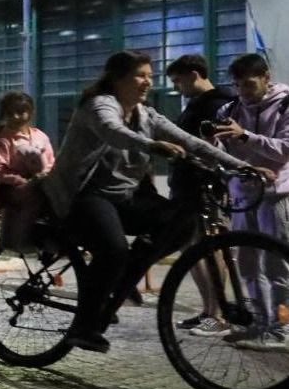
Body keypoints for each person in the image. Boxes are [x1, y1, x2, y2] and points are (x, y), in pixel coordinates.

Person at [39, 49, 260, 353]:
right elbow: (112, 132)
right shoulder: (99, 105)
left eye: (150, 77)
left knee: (180, 226)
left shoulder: (146, 114)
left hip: (125, 196)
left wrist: (242, 167)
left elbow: (191, 141)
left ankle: (119, 283)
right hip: (84, 194)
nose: (147, 82)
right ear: (118, 79)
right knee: (113, 249)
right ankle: (84, 326)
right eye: (140, 76)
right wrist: (153, 145)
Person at [210, 52, 289, 348]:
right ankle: (258, 324)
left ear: (267, 78)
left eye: (250, 84)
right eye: (238, 85)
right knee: (247, 263)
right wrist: (215, 143)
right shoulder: (230, 108)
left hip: (276, 195)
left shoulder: (285, 104)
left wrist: (246, 137)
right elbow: (222, 153)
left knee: (276, 263)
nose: (244, 91)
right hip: (242, 194)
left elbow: (285, 149)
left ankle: (281, 328)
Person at [164, 53, 237, 334]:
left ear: (195, 74)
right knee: (191, 248)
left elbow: (218, 148)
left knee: (212, 248)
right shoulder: (195, 104)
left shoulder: (219, 104)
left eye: (179, 81)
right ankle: (207, 309)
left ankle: (218, 314)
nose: (177, 87)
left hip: (206, 187)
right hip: (185, 185)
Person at [0, 91, 53, 209]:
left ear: (30, 112)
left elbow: (51, 162)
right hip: (15, 191)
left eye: (20, 112)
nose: (15, 117)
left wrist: (43, 176)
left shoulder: (41, 136)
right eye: (10, 113)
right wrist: (20, 181)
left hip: (42, 186)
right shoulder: (3, 139)